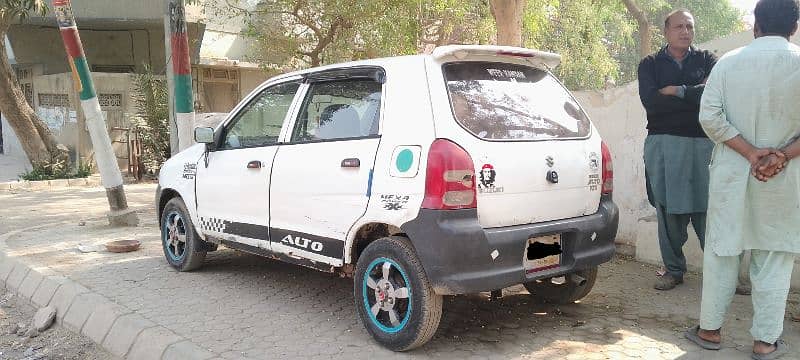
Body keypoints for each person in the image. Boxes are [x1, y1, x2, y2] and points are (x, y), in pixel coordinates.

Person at [683, 0, 800, 358]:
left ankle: (710, 331)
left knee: (723, 252)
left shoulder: (729, 63)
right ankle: (765, 342)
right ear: (794, 28)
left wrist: (750, 153)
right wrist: (780, 156)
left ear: (756, 25)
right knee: (774, 256)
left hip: (734, 173)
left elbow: (710, 117)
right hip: (782, 178)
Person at [637, 9, 717, 290]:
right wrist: (694, 94)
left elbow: (713, 97)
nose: (685, 31)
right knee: (668, 209)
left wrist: (676, 90)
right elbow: (651, 102)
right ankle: (674, 270)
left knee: (710, 210)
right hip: (664, 144)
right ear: (665, 31)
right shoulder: (650, 64)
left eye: (690, 26)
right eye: (679, 26)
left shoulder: (707, 60)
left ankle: (724, 274)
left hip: (704, 144)